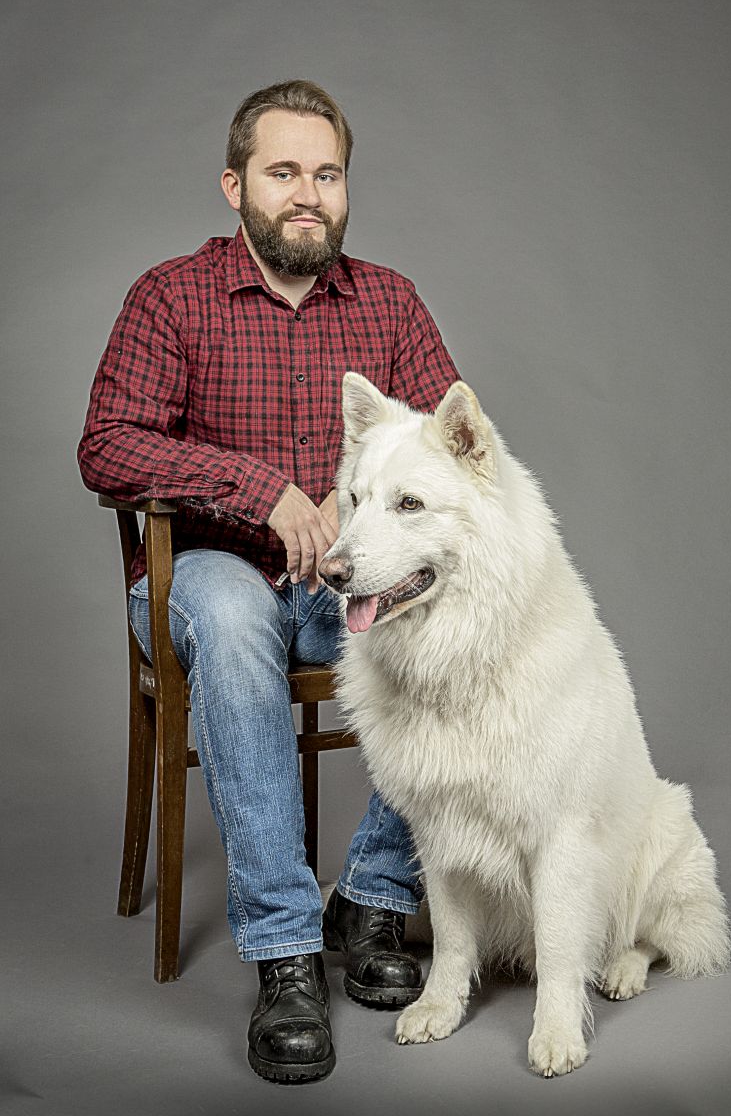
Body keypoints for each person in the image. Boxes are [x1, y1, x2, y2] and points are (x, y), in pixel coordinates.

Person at [78, 79, 459, 1084]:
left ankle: (372, 898)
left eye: (325, 174)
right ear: (233, 183)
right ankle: (286, 953)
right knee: (231, 622)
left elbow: (449, 454)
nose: (307, 193)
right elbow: (107, 447)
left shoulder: (387, 300)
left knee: (455, 639)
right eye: (283, 171)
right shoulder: (170, 295)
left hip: (349, 585)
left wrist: (374, 508)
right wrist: (262, 489)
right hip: (213, 570)